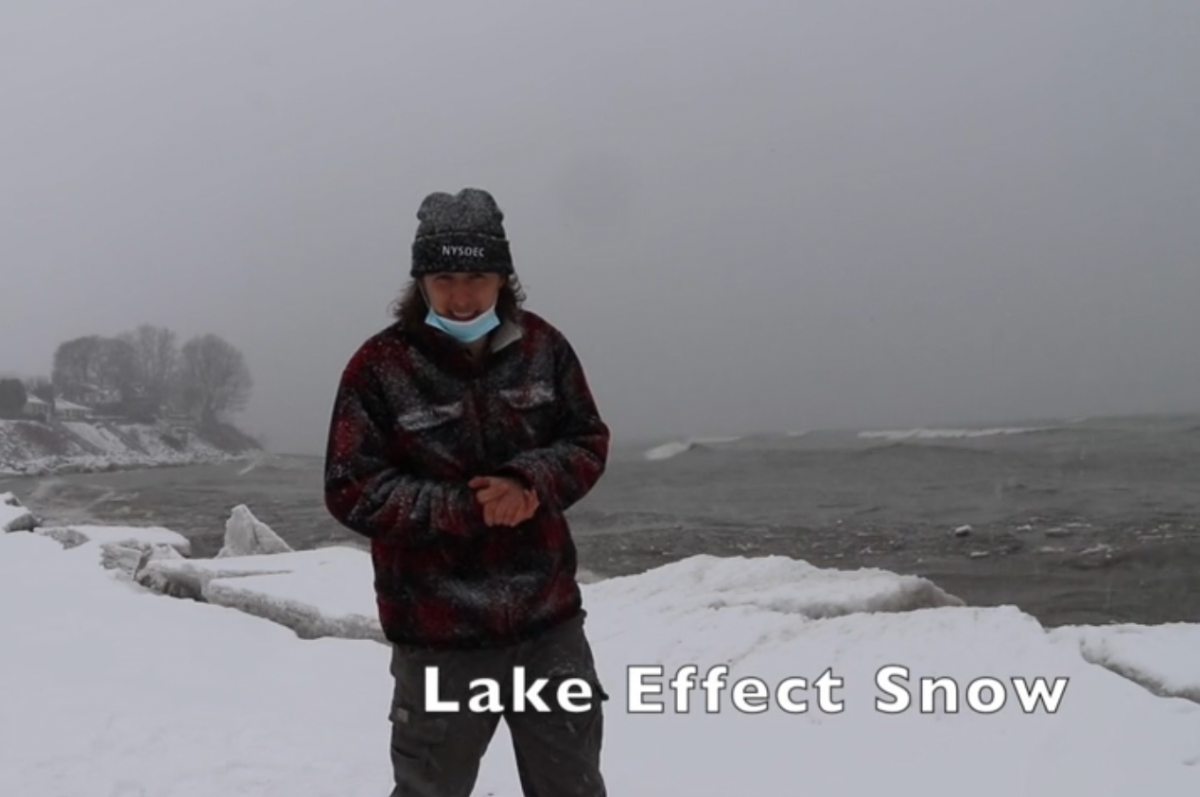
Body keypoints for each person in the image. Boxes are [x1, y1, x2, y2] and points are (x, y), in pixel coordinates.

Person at [323, 187, 611, 797]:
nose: (460, 297)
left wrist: (531, 482)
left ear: (504, 278)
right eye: (443, 277)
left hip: (548, 627)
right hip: (438, 639)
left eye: (477, 277)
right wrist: (463, 506)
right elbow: (352, 488)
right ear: (419, 282)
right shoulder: (379, 367)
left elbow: (586, 440)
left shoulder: (545, 349)